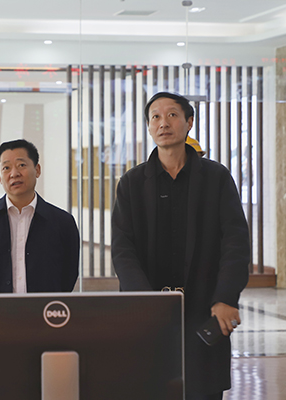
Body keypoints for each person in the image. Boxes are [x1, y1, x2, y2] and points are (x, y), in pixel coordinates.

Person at [111, 92, 250, 399]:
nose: (163, 123)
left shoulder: (216, 177)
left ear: (189, 123)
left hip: (205, 307)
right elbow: (122, 249)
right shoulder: (132, 183)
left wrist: (226, 297)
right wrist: (144, 301)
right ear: (149, 127)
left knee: (204, 389)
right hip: (149, 313)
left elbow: (236, 242)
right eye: (156, 117)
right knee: (149, 387)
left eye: (172, 115)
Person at [0, 139, 79, 293]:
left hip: (43, 307)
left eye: (21, 165)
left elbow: (68, 276)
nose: (14, 174)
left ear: (37, 170)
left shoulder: (63, 222)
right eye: (6, 168)